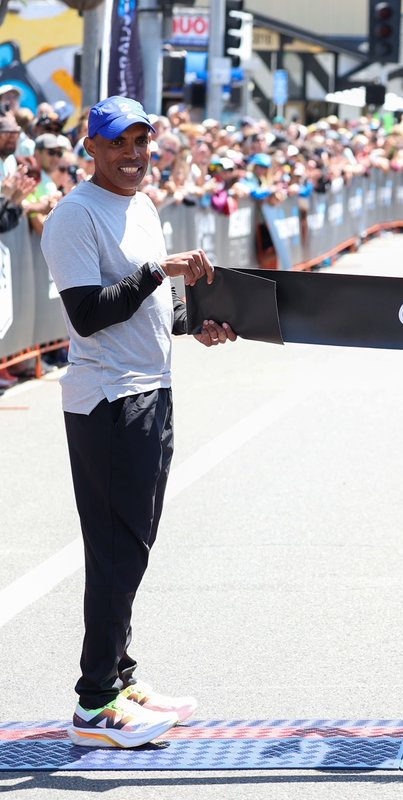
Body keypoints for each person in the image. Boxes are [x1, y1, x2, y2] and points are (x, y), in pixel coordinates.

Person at [40, 96, 238, 749]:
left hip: (152, 388)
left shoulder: (143, 206)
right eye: (119, 143)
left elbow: (146, 312)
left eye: (142, 142)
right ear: (90, 149)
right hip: (108, 401)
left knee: (133, 545)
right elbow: (90, 314)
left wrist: (193, 325)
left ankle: (120, 677)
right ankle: (95, 704)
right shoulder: (72, 217)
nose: (133, 155)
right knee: (116, 549)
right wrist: (161, 272)